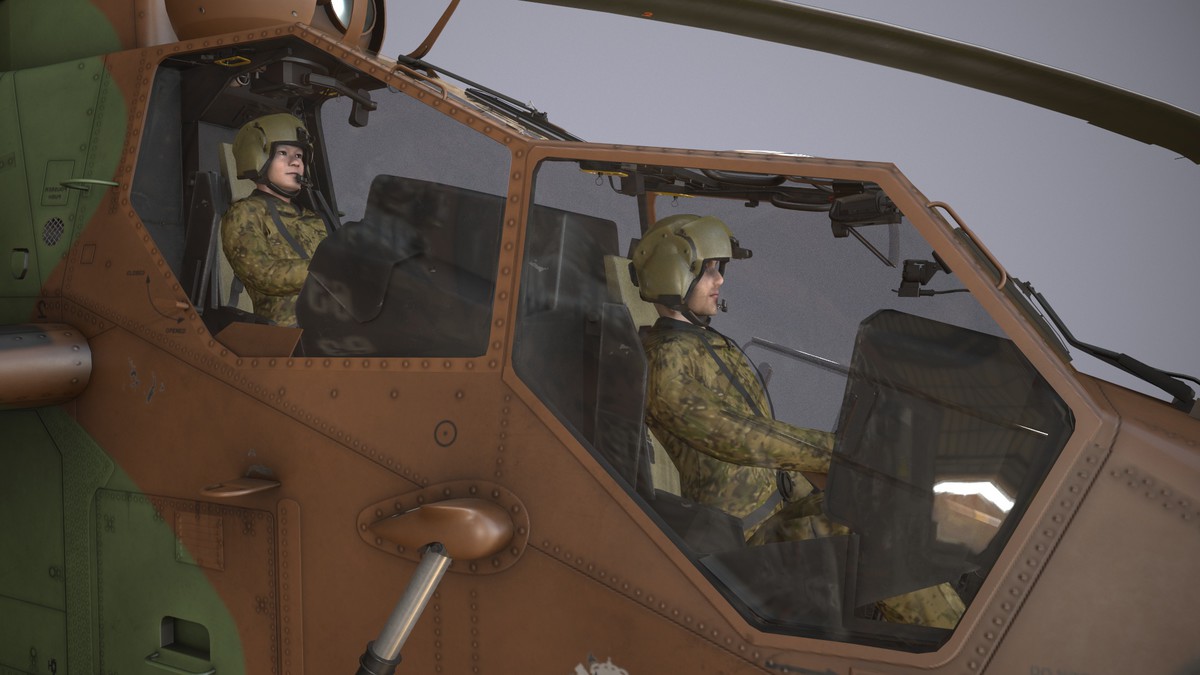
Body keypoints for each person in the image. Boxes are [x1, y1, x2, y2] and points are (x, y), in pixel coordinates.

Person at [631, 213, 963, 628]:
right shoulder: (665, 361)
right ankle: (955, 642)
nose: (720, 280)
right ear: (674, 274)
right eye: (709, 270)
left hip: (776, 516)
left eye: (720, 269)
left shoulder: (703, 342)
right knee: (875, 534)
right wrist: (834, 452)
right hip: (743, 542)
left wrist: (840, 478)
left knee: (891, 509)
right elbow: (736, 436)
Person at [221, 113, 332, 327]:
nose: (295, 162)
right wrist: (326, 270)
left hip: (336, 323)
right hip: (287, 333)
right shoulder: (246, 212)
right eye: (283, 153)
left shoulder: (313, 217)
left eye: (299, 155)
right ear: (257, 158)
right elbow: (262, 274)